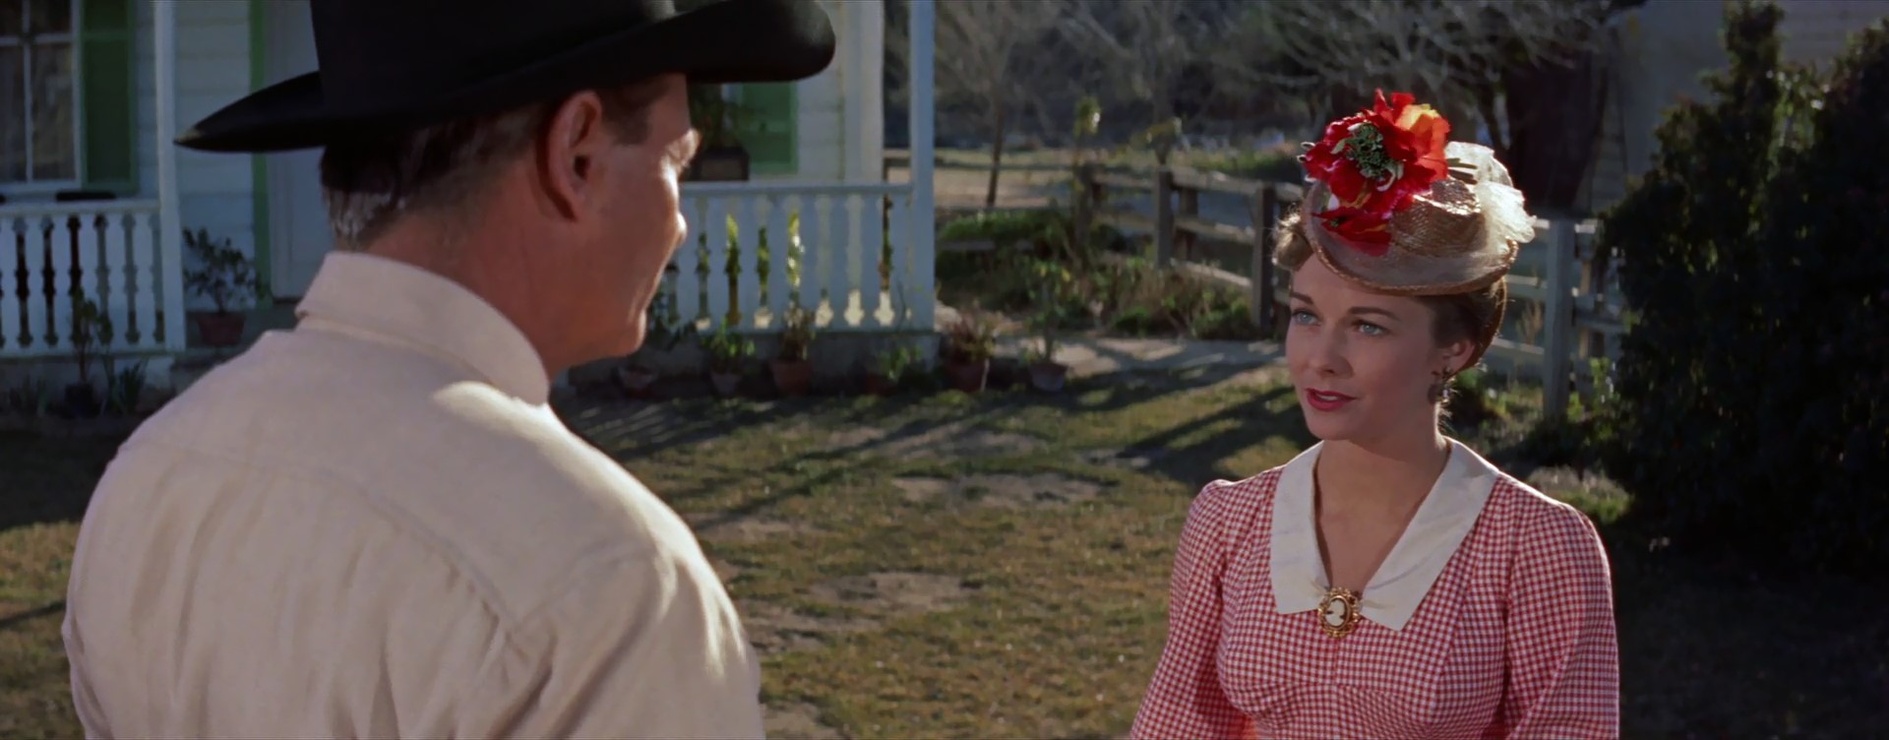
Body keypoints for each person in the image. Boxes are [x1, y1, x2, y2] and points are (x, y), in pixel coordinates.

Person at [60, 1, 834, 737]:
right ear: (578, 154)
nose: (679, 222)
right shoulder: (607, 592)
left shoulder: (150, 479)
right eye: (674, 161)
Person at [1128, 92, 1620, 739]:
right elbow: (1177, 723)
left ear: (1455, 347)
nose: (1321, 359)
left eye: (1367, 325)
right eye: (1305, 315)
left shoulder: (1535, 548)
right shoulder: (1228, 524)